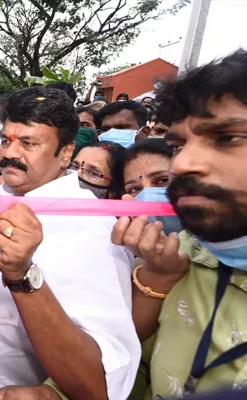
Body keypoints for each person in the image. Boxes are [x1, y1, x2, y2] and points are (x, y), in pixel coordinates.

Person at [0, 86, 140, 400]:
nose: (10, 154)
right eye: (7, 140)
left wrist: (23, 274)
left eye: (28, 143)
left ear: (66, 152)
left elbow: (100, 383)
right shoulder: (0, 196)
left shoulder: (92, 230)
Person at [112, 50, 247, 399]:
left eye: (227, 138)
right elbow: (129, 367)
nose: (183, 163)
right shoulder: (183, 253)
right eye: (178, 145)